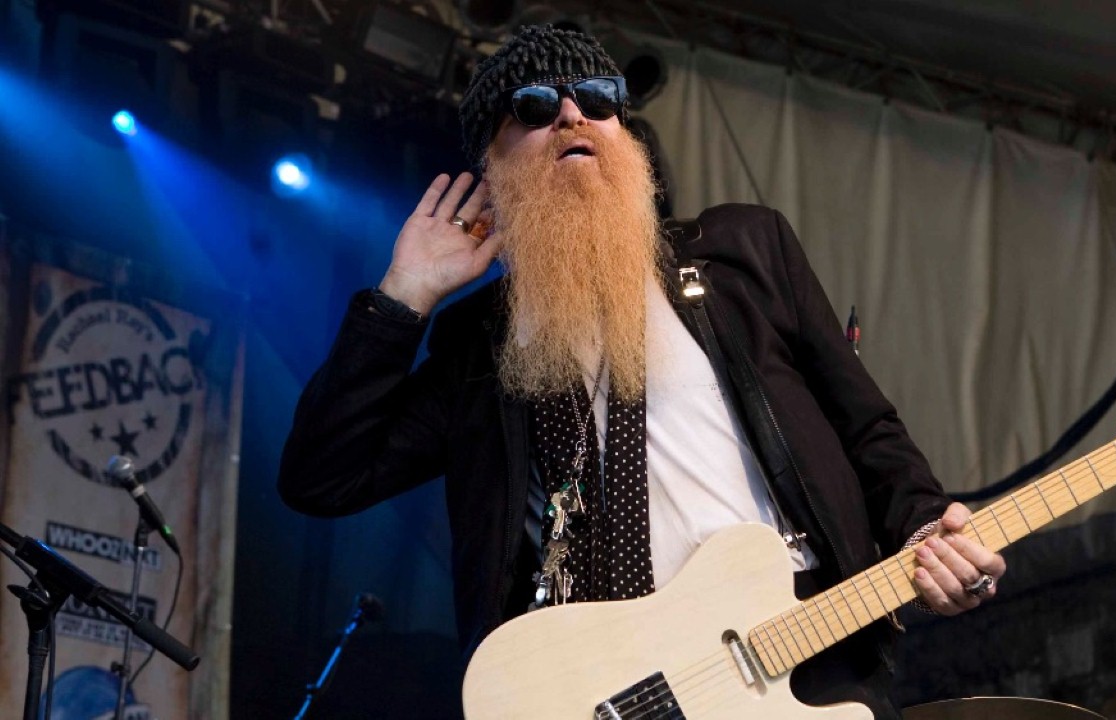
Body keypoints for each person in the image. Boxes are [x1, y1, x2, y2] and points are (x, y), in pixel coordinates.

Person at [278, 25, 1005, 719]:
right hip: (599, 695)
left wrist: (923, 530)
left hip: (792, 664)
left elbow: (866, 426)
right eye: (535, 106)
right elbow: (322, 477)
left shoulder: (742, 254)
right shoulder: (479, 347)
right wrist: (402, 298)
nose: (572, 115)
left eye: (598, 99)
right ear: (492, 165)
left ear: (625, 133)